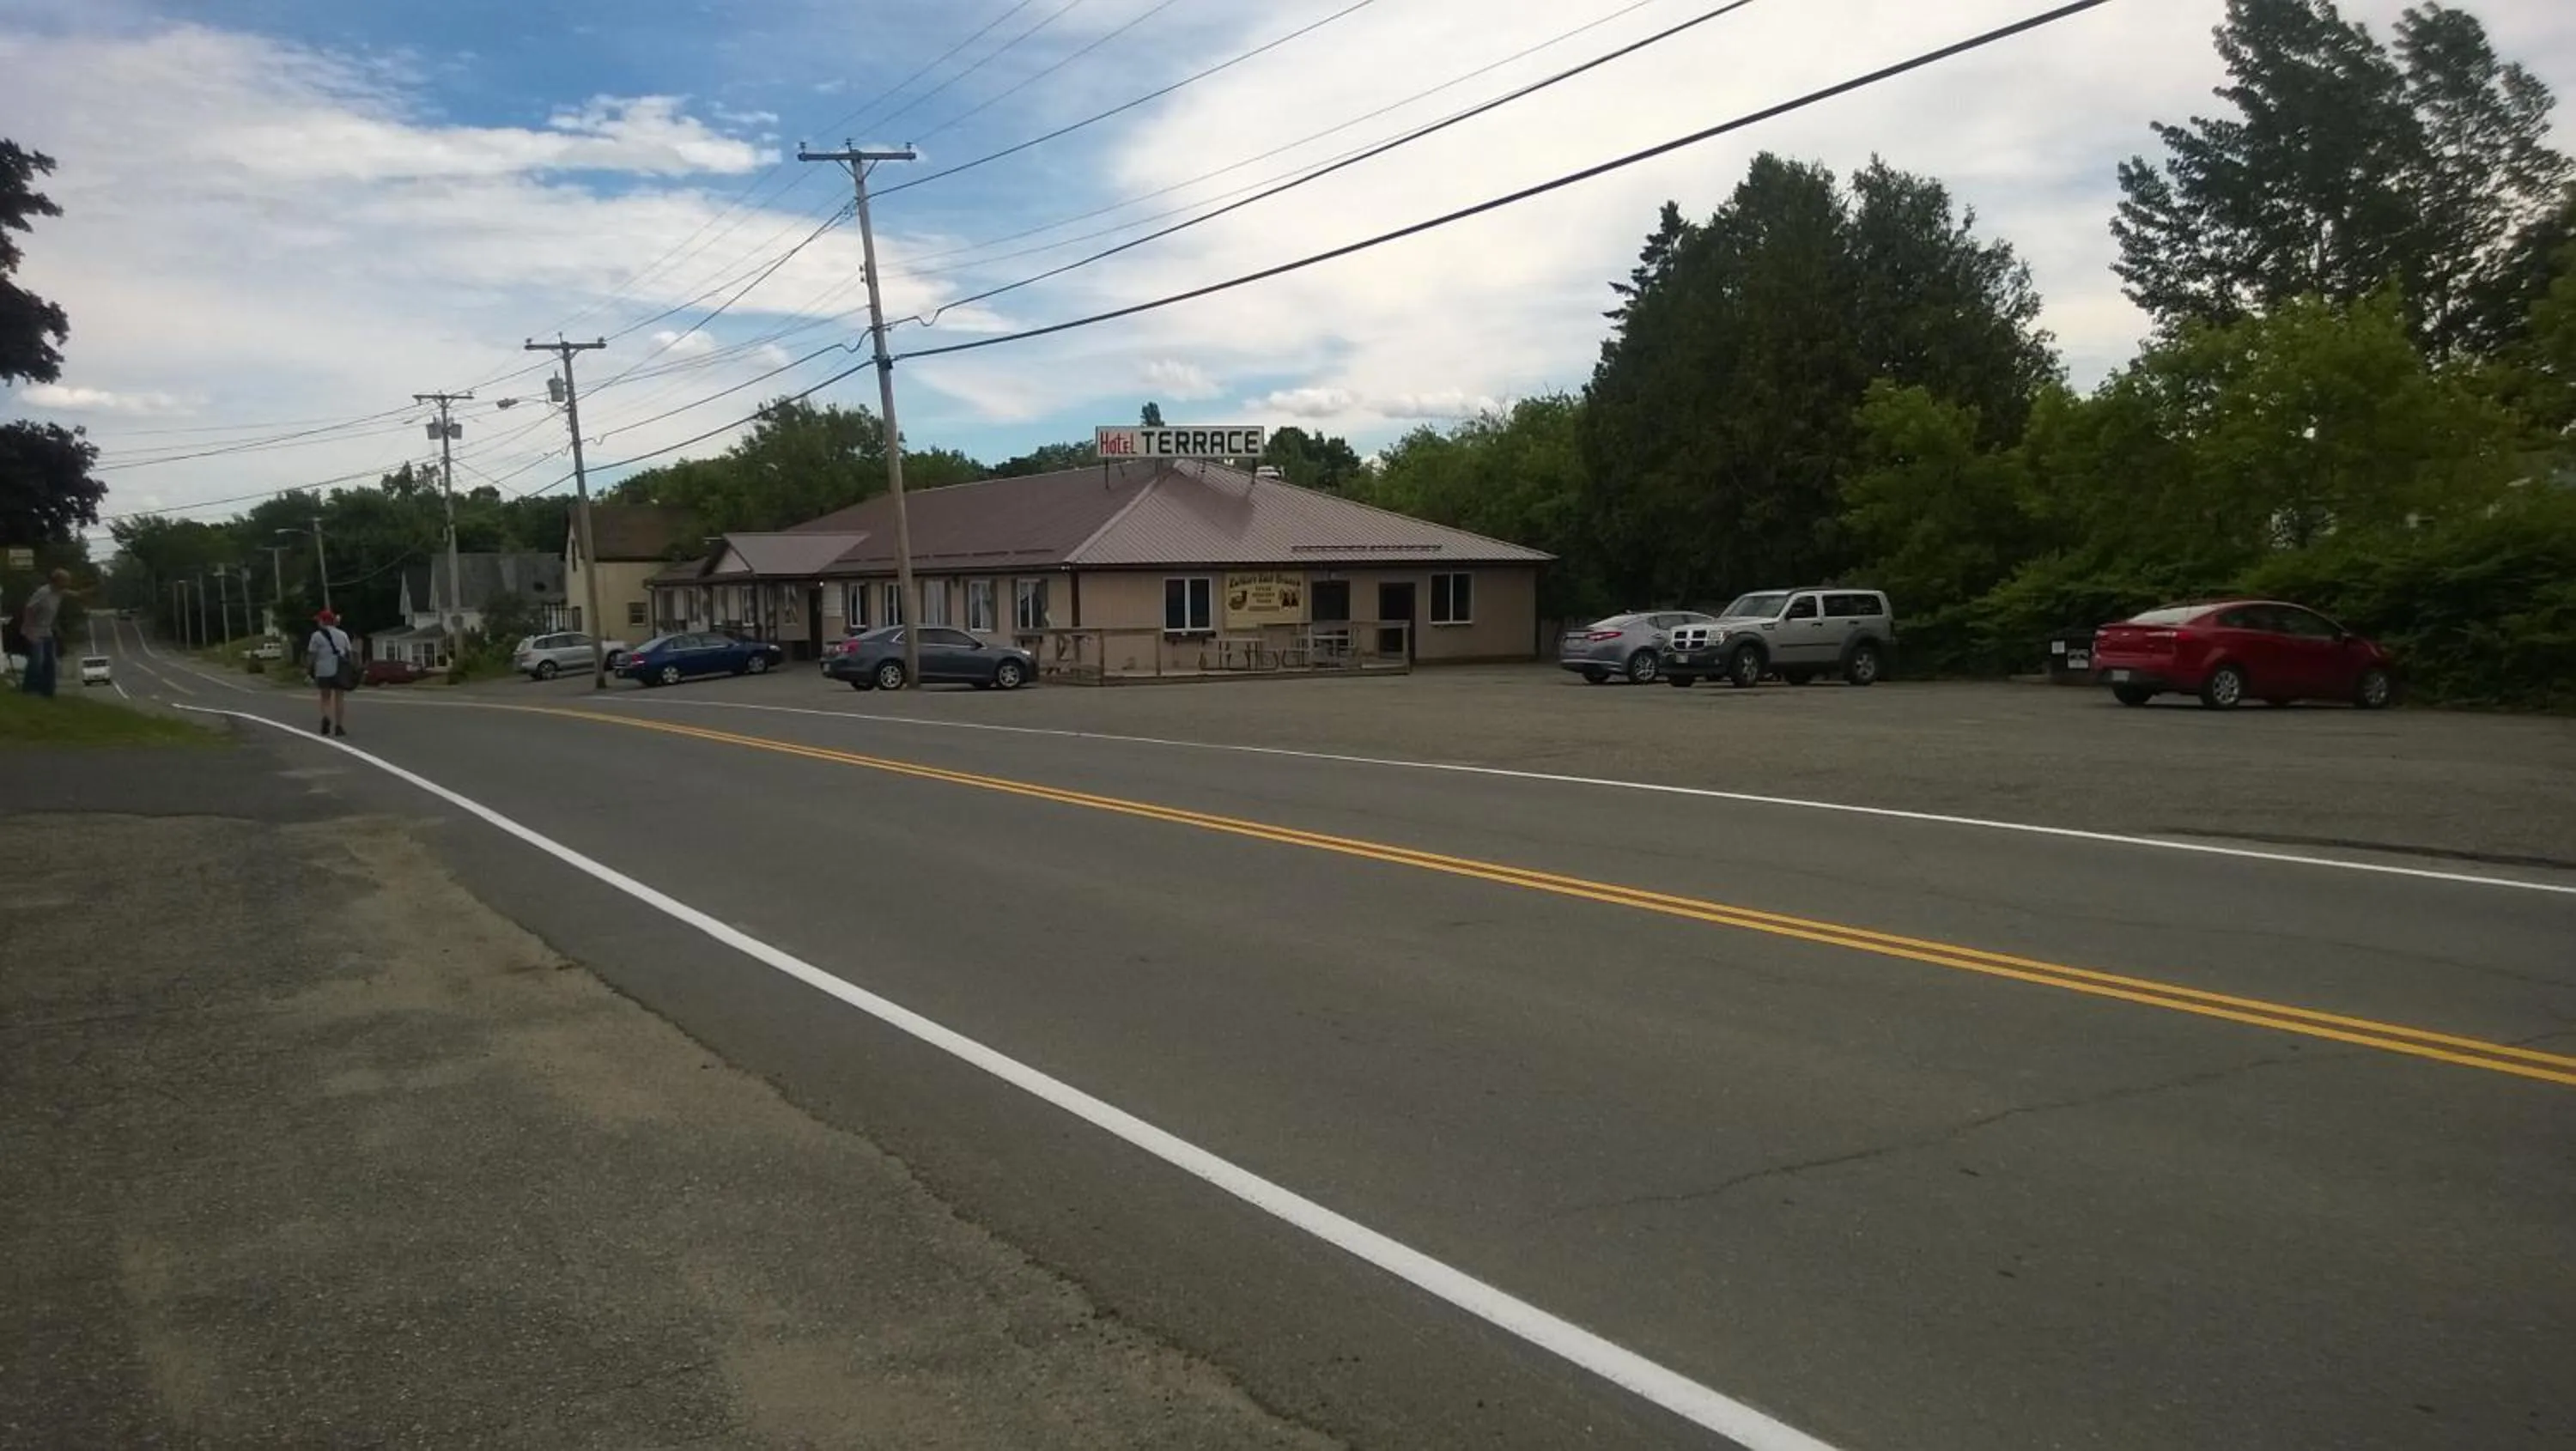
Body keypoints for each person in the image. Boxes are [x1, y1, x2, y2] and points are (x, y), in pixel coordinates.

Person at [15, 568, 69, 698]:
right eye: (65, 581)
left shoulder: (59, 593)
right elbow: (28, 609)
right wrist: (29, 631)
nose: (67, 583)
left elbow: (77, 594)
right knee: (37, 661)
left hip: (47, 631)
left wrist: (95, 588)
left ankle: (48, 691)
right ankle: (30, 690)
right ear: (57, 581)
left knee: (50, 662)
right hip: (34, 631)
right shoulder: (43, 592)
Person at [307, 608, 355, 737]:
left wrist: (309, 669)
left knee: (325, 697)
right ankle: (339, 726)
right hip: (339, 669)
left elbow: (312, 654)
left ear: (322, 621)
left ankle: (326, 717)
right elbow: (349, 653)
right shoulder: (343, 634)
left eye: (319, 620)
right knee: (339, 698)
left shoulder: (316, 636)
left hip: (323, 670)